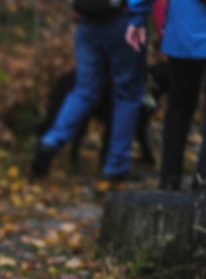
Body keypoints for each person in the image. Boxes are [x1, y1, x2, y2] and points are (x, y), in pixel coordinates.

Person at [31, 1, 147, 182]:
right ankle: (116, 166)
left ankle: (51, 141)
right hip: (123, 22)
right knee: (127, 95)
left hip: (87, 21)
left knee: (84, 91)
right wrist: (139, 18)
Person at [126, 0, 206, 196]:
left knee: (178, 112)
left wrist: (137, 16)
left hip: (182, 33)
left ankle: (169, 183)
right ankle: (205, 193)